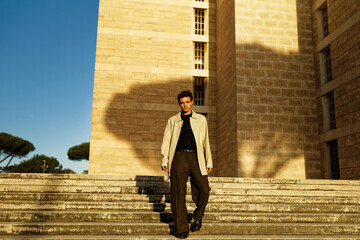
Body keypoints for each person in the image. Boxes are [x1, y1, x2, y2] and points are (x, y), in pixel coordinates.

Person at [161, 90, 213, 239]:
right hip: (178, 157)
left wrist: (209, 160)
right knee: (178, 194)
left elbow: (205, 142)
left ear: (191, 102)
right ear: (179, 104)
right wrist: (165, 159)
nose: (185, 105)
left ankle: (198, 215)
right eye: (182, 103)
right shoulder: (172, 120)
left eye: (187, 102)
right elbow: (166, 142)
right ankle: (181, 228)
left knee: (204, 188)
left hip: (197, 157)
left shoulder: (201, 119)